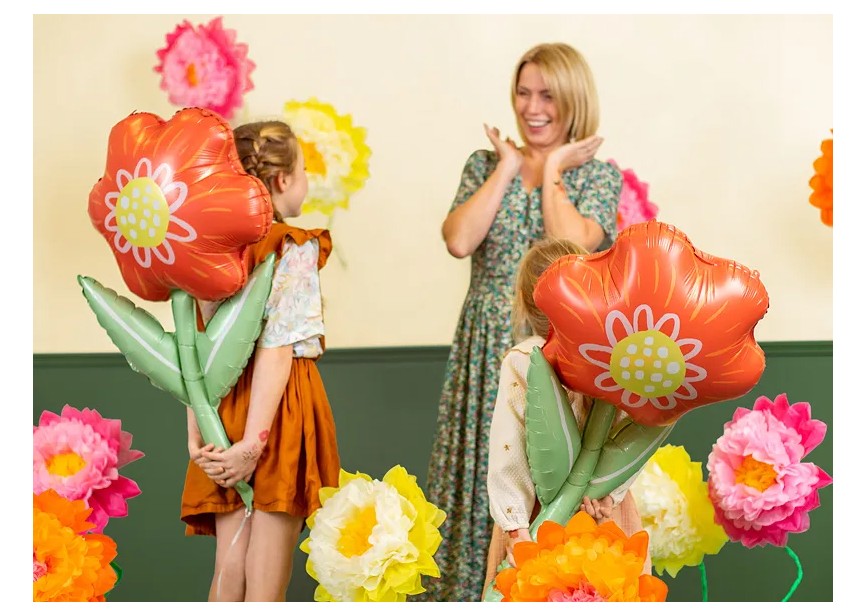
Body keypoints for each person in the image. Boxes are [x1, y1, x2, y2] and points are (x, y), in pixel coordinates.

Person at [420, 42, 622, 601]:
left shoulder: (599, 177)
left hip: (553, 352)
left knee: (538, 479)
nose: (532, 108)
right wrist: (510, 166)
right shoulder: (484, 165)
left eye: (547, 95)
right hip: (483, 344)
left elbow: (572, 247)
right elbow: (459, 240)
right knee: (476, 474)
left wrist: (552, 166)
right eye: (523, 92)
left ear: (574, 99)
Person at [179, 120, 340, 602]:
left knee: (229, 568)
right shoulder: (291, 245)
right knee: (266, 579)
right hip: (277, 412)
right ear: (283, 179)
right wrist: (253, 444)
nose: (306, 180)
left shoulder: (206, 248)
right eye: (304, 170)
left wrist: (197, 431)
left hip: (223, 407)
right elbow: (277, 348)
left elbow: (193, 344)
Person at [482, 237, 650, 597]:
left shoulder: (524, 359)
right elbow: (633, 437)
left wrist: (516, 529)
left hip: (534, 518)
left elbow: (508, 448)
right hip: (604, 511)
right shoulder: (616, 356)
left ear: (524, 303)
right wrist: (610, 497)